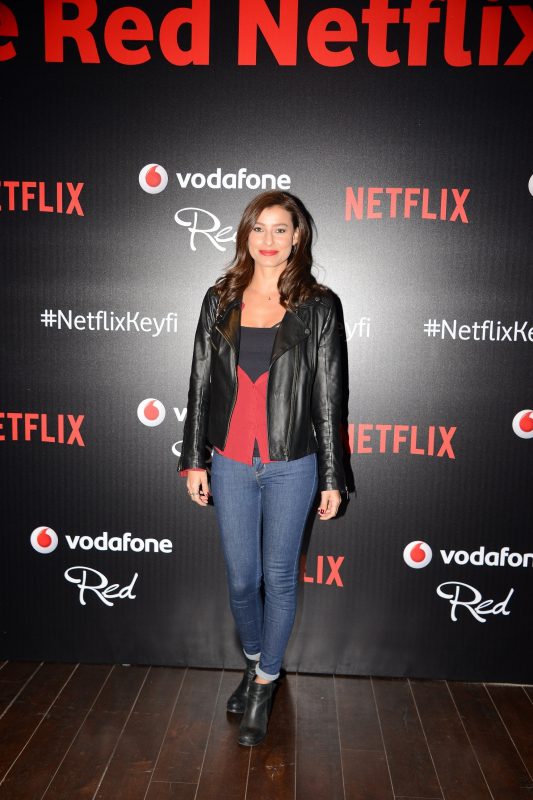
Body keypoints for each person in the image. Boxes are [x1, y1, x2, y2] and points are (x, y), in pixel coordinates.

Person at [177, 190, 348, 746]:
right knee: (241, 580)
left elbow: (329, 397)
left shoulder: (319, 306)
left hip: (292, 463)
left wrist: (332, 476)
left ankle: (265, 682)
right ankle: (255, 661)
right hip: (229, 460)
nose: (268, 240)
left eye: (280, 229)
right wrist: (194, 460)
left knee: (278, 577)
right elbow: (200, 382)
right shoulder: (219, 299)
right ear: (245, 235)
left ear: (298, 237)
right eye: (259, 228)